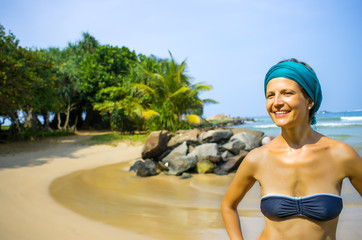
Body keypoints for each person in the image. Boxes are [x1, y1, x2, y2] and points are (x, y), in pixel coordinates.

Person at [221, 58, 362, 240]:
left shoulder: (341, 155)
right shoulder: (258, 158)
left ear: (309, 101)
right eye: (270, 95)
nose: (277, 102)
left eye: (287, 93)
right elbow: (228, 205)